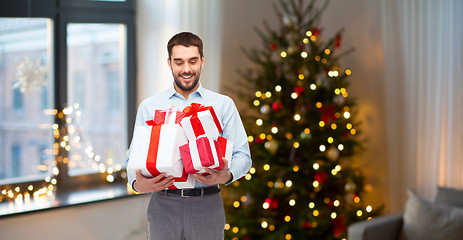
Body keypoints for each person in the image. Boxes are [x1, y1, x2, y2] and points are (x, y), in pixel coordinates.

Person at [127, 32, 252, 240]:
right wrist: (137, 184)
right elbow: (133, 159)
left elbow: (243, 156)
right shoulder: (149, 107)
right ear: (169, 63)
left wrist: (226, 176)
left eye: (192, 61)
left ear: (202, 61)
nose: (186, 69)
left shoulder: (222, 104)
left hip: (207, 204)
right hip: (163, 204)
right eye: (179, 62)